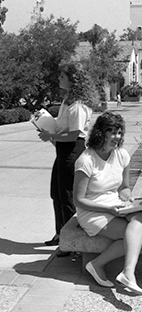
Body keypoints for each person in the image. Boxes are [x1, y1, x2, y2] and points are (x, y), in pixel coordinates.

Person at [72, 111, 142, 294]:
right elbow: (78, 200)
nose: (117, 137)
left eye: (120, 132)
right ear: (101, 133)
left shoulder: (121, 155)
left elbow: (123, 187)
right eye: (112, 132)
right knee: (133, 236)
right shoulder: (86, 160)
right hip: (92, 210)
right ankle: (97, 265)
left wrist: (130, 199)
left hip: (115, 205)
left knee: (141, 214)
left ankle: (128, 272)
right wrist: (109, 208)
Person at [38, 63, 93, 256]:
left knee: (67, 196)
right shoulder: (67, 101)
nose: (59, 78)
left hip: (72, 151)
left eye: (62, 76)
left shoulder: (78, 106)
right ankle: (61, 233)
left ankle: (71, 241)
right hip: (63, 150)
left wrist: (50, 137)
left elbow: (74, 135)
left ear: (73, 79)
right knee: (57, 194)